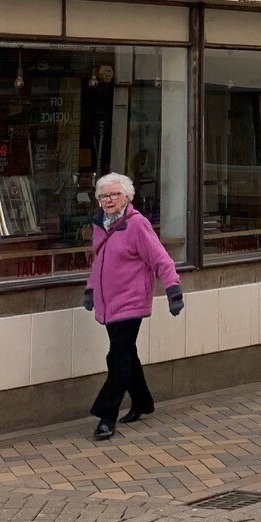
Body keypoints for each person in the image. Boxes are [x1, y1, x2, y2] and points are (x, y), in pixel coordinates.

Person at [83, 172, 182, 440]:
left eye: (115, 194)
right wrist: (91, 289)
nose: (109, 199)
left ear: (127, 197)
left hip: (131, 301)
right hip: (108, 302)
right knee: (126, 354)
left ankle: (106, 415)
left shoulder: (137, 225)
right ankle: (142, 401)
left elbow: (162, 259)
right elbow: (99, 261)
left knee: (117, 357)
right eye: (104, 195)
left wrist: (173, 290)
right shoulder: (100, 225)